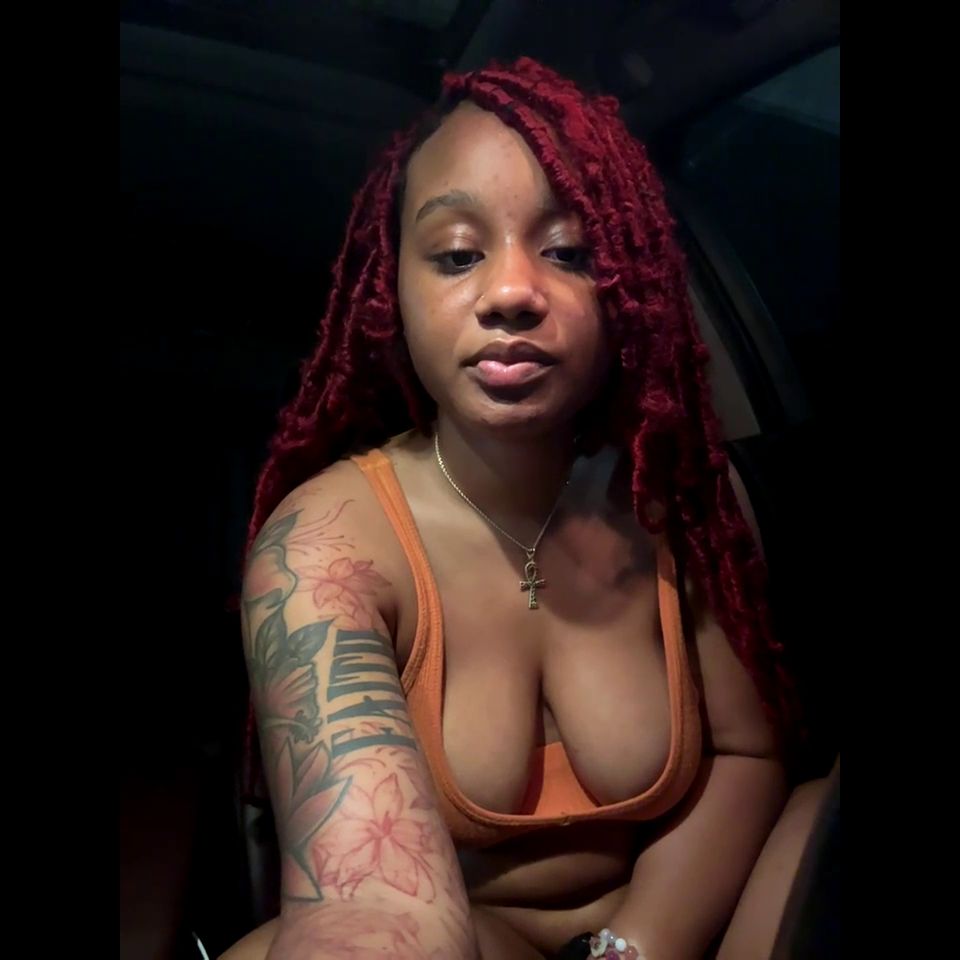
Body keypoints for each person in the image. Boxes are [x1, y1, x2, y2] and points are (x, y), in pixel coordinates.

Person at [221, 57, 831, 960]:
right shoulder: (325, 546)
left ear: (629, 283)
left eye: (570, 252)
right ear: (392, 289)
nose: (511, 293)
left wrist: (632, 948)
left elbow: (747, 759)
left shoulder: (678, 497)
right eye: (458, 255)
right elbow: (371, 903)